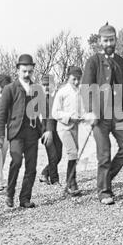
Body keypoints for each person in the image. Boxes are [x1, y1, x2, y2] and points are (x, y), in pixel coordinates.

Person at [81, 22, 123, 205]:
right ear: (100, 41)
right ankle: (104, 191)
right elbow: (86, 89)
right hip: (100, 117)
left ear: (116, 40)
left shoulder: (121, 61)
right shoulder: (92, 61)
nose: (109, 43)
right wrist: (90, 111)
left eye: (112, 39)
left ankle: (104, 179)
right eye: (105, 40)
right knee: (104, 155)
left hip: (119, 114)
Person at [0, 54, 43, 208]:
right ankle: (9, 194)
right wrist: (0, 136)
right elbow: (0, 113)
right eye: (24, 71)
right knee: (16, 162)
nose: (27, 74)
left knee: (31, 167)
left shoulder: (37, 88)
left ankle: (25, 199)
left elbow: (44, 111)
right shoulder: (10, 89)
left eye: (30, 71)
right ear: (18, 70)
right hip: (15, 133)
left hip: (32, 133)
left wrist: (46, 130)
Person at [52, 66, 84, 196]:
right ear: (68, 77)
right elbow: (55, 112)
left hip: (76, 127)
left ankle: (70, 182)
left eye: (78, 79)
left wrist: (84, 116)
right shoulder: (62, 91)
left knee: (76, 155)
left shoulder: (81, 91)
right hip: (63, 127)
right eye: (73, 79)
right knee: (73, 153)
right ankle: (71, 183)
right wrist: (70, 117)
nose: (76, 82)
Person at [39, 74, 63, 186]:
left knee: (58, 156)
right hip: (46, 132)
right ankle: (55, 180)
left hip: (58, 131)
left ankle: (44, 173)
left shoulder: (58, 97)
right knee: (52, 156)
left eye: (48, 84)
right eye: (43, 85)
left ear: (53, 84)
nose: (46, 87)